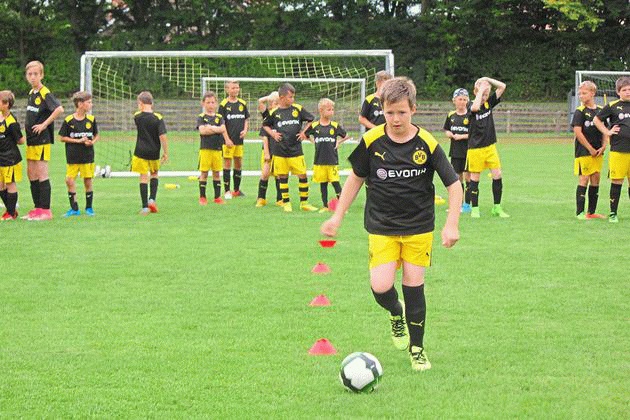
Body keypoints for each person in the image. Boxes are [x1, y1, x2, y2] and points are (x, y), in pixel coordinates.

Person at [321, 77, 462, 371]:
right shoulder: (372, 141)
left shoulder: (427, 142)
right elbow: (356, 180)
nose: (396, 119)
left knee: (414, 287)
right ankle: (395, 314)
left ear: (413, 109)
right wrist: (337, 216)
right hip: (382, 226)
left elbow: (454, 185)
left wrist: (452, 224)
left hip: (419, 227)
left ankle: (418, 349)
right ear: (382, 110)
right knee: (381, 286)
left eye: (402, 112)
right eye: (389, 113)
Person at [262, 83, 318, 212]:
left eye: (293, 97)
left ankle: (304, 203)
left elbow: (311, 119)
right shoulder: (274, 112)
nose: (292, 99)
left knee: (302, 175)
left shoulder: (297, 109)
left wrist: (304, 133)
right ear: (281, 97)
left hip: (296, 149)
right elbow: (265, 125)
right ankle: (286, 203)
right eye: (290, 97)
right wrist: (273, 134)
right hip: (280, 150)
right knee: (282, 176)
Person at [24, 60, 64, 221]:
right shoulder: (31, 93)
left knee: (41, 173)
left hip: (42, 140)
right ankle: (37, 208)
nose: (32, 77)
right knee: (31, 173)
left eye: (35, 74)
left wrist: (43, 125)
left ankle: (46, 211)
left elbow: (59, 109)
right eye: (30, 74)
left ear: (41, 75)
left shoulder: (44, 92)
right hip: (31, 140)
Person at [466, 76, 509, 218]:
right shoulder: (470, 105)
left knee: (497, 175)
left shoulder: (489, 103)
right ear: (475, 92)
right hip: (475, 149)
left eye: (486, 94)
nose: (484, 97)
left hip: (490, 147)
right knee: (475, 178)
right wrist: (480, 92)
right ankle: (475, 208)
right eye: (482, 94)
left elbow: (502, 86)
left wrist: (487, 80)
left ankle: (497, 207)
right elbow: (475, 108)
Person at [593, 76, 630, 223]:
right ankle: (613, 212)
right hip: (618, 150)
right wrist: (607, 132)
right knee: (617, 181)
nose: (628, 92)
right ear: (618, 92)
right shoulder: (613, 106)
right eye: (625, 90)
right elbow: (597, 120)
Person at [59, 91, 99, 217]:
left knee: (87, 181)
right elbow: (62, 137)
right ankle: (74, 208)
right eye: (89, 102)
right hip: (73, 157)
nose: (91, 104)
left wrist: (92, 142)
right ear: (80, 104)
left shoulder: (91, 120)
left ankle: (89, 208)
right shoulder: (69, 120)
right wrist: (78, 141)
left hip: (87, 157)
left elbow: (97, 135)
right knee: (69, 180)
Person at [305, 98, 349, 212]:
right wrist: (312, 141)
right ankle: (325, 206)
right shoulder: (315, 126)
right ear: (321, 110)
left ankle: (342, 207)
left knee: (335, 182)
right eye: (329, 109)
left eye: (333, 109)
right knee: (323, 184)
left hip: (332, 160)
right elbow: (305, 135)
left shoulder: (334, 125)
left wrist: (338, 142)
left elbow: (346, 135)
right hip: (319, 160)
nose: (332, 112)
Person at [571, 81, 607, 220]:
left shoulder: (600, 110)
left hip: (598, 151)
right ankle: (580, 213)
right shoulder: (580, 112)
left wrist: (604, 146)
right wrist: (590, 148)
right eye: (580, 93)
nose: (581, 96)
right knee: (584, 178)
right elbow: (578, 133)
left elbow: (604, 129)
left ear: (592, 93)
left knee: (596, 178)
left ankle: (591, 212)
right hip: (584, 152)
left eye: (584, 93)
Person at [132, 91, 168, 215]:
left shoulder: (137, 116)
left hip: (140, 151)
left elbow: (139, 115)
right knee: (154, 174)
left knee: (143, 177)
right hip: (154, 151)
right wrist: (165, 152)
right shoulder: (158, 118)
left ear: (140, 103)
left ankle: (144, 207)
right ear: (152, 103)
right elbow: (162, 136)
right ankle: (152, 199)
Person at [197, 91, 232, 205]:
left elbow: (222, 129)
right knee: (204, 173)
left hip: (217, 149)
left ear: (216, 104)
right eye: (208, 102)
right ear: (203, 104)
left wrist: (211, 127)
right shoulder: (201, 117)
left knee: (217, 173)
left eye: (213, 102)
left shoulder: (219, 117)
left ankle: (217, 197)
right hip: (205, 149)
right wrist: (215, 129)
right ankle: (202, 197)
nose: (211, 105)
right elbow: (202, 131)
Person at [218, 80, 249, 199]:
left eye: (236, 88)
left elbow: (246, 119)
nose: (235, 90)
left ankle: (236, 190)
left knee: (238, 163)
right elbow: (222, 123)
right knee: (227, 163)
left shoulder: (242, 103)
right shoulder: (224, 104)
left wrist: (245, 130)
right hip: (228, 140)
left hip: (239, 140)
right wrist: (226, 139)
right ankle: (227, 191)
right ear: (227, 89)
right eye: (232, 88)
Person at [443, 88, 471, 212]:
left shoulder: (470, 115)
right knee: (457, 178)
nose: (462, 102)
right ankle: (458, 204)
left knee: (468, 178)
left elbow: (474, 133)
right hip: (455, 152)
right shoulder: (451, 115)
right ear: (454, 100)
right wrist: (449, 134)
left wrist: (462, 136)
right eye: (460, 99)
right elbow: (446, 129)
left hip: (468, 152)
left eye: (465, 99)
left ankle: (468, 204)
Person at [0, 90, 25, 220]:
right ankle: (11, 210)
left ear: (6, 104)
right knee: (1, 185)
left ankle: (10, 214)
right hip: (1, 157)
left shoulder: (11, 122)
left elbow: (21, 140)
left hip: (10, 157)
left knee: (10, 184)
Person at [255, 91, 282, 207]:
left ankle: (280, 199)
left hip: (280, 150)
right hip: (268, 150)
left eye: (277, 102)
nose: (274, 105)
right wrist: (271, 97)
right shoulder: (267, 116)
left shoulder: (284, 115)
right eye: (273, 103)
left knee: (279, 174)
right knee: (265, 174)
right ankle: (261, 198)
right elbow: (265, 136)